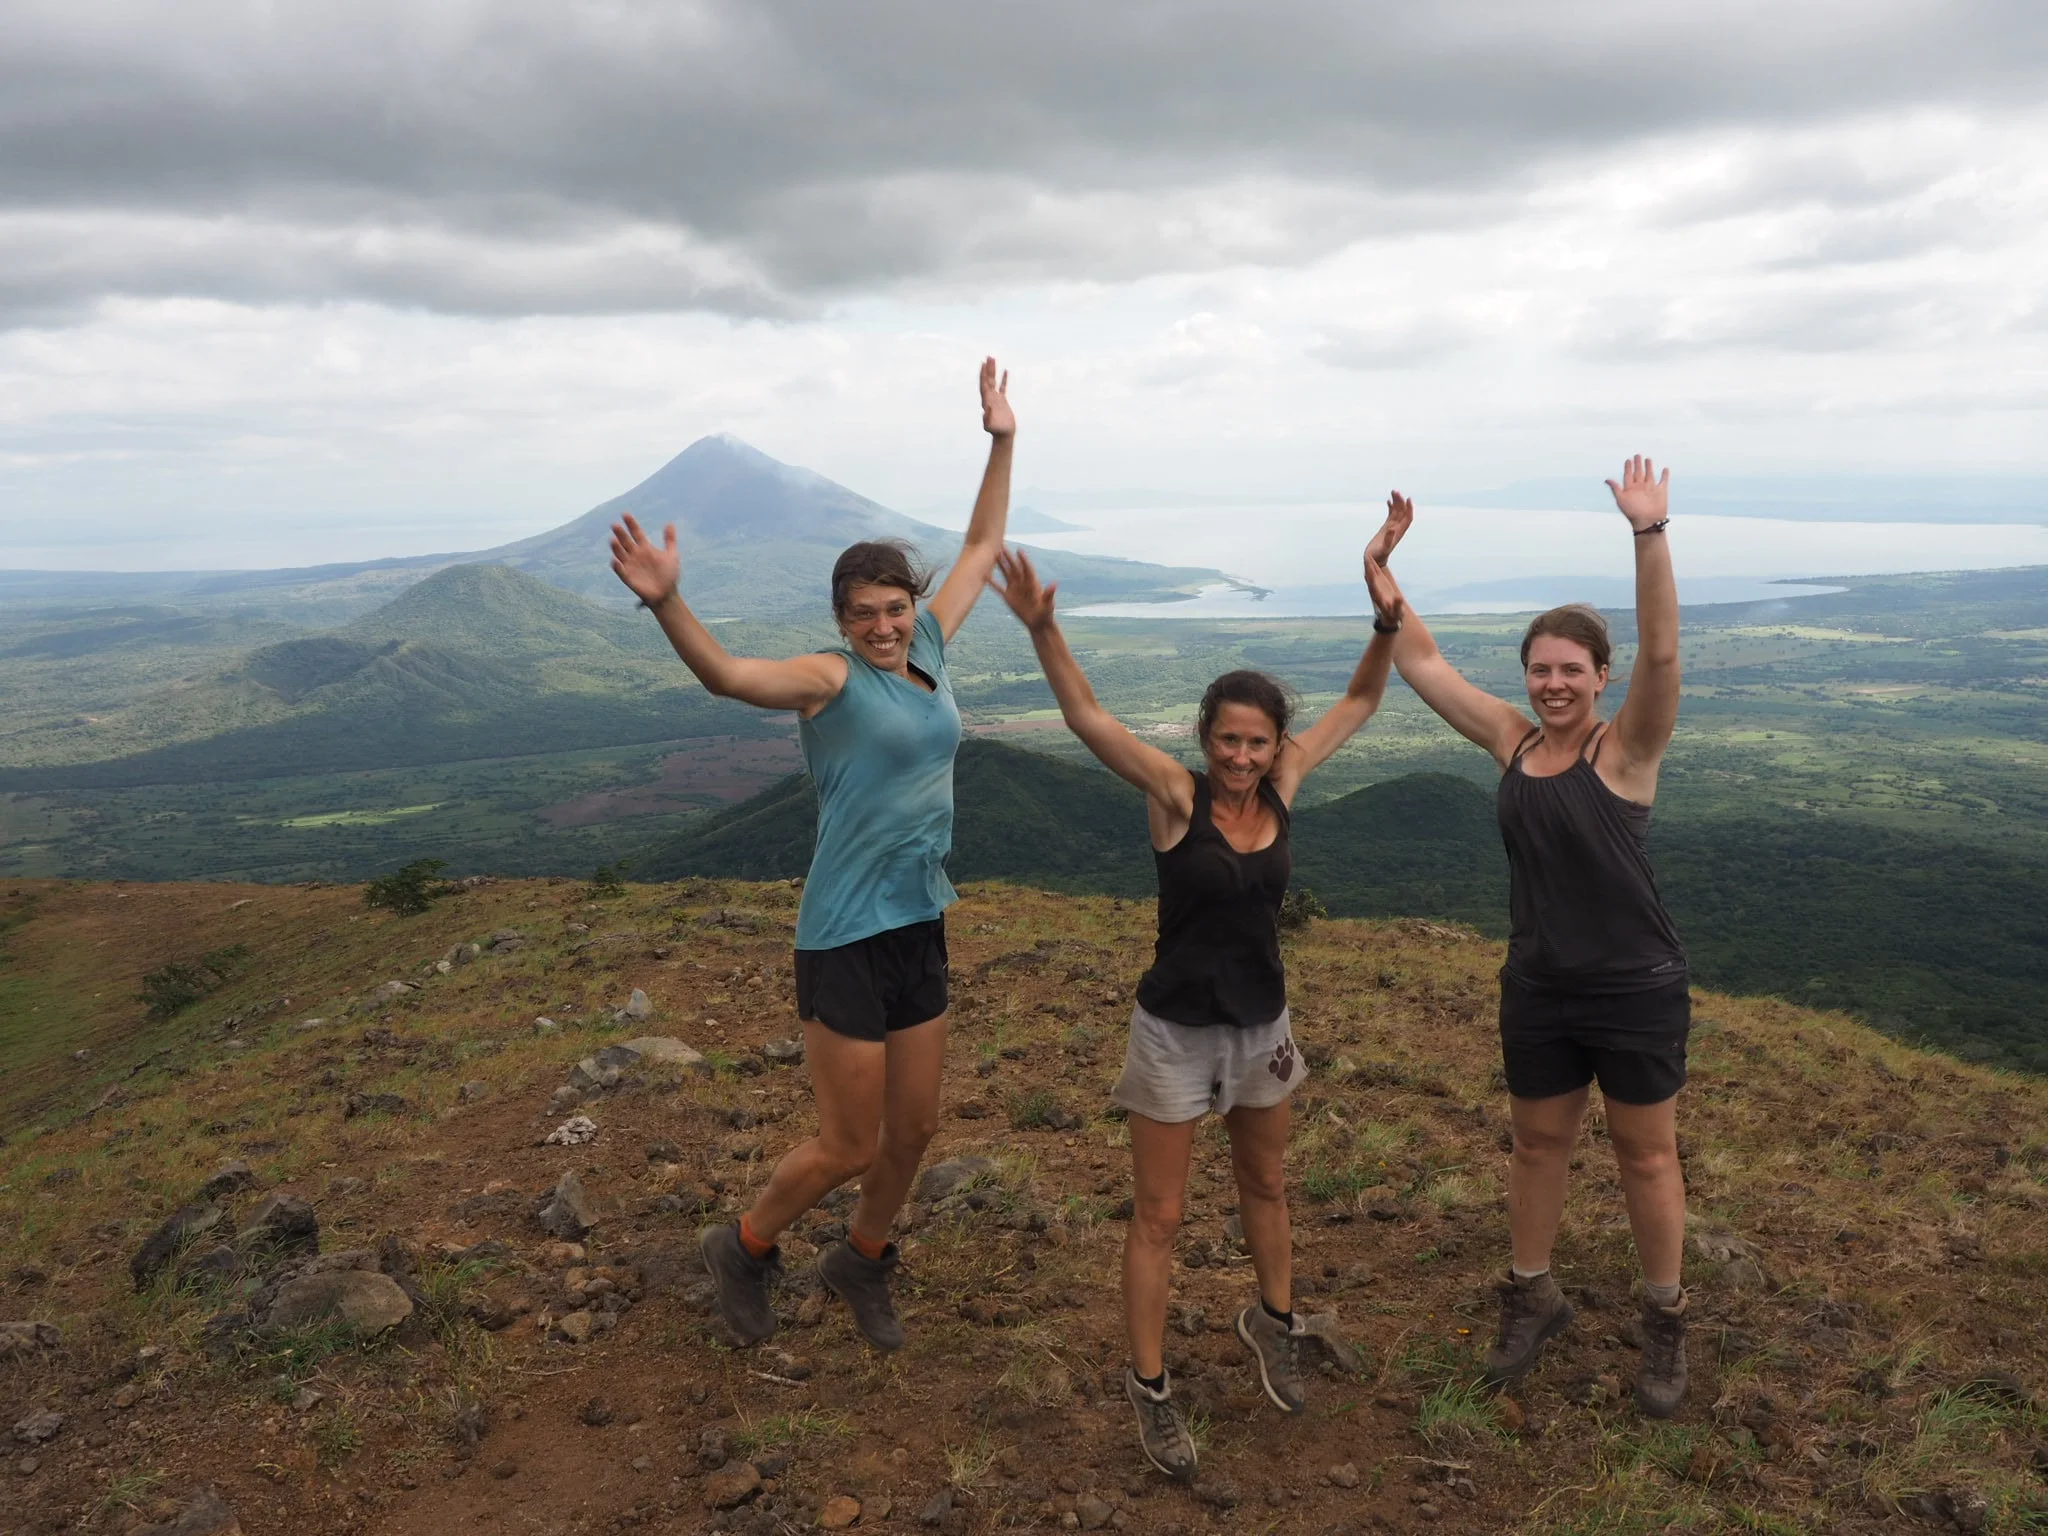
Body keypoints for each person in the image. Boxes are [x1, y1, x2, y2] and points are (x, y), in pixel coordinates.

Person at [987, 507, 1407, 1482]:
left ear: (1274, 743)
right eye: (1228, 740)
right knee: (1159, 1217)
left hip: (1262, 1028)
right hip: (1173, 1034)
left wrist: (1383, 610)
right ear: (1204, 736)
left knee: (1265, 1185)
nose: (1242, 758)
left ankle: (1273, 1323)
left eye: (1257, 743)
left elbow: (1359, 703)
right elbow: (1087, 720)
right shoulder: (1174, 798)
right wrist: (1044, 629)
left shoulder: (1286, 786)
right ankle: (1149, 1388)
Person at [607, 359, 1016, 1352]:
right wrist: (667, 602)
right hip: (842, 935)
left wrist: (1000, 439)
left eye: (894, 608)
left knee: (913, 1132)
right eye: (863, 614)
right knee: (847, 1141)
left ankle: (859, 1261)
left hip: (916, 920)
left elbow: (982, 543)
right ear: (839, 621)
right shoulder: (826, 680)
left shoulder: (932, 648)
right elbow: (725, 676)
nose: (883, 626)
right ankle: (743, 1246)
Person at [1362, 457, 1691, 1417]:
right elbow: (1420, 660)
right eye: (1540, 670)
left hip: (1635, 987)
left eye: (1570, 671)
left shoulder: (1624, 750)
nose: (1553, 685)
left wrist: (1648, 533)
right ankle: (1531, 1293)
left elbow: (1666, 658)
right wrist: (1379, 567)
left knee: (1647, 1156)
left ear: (1600, 678)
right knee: (1537, 1144)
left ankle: (1665, 1320)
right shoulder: (1509, 741)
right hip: (1540, 984)